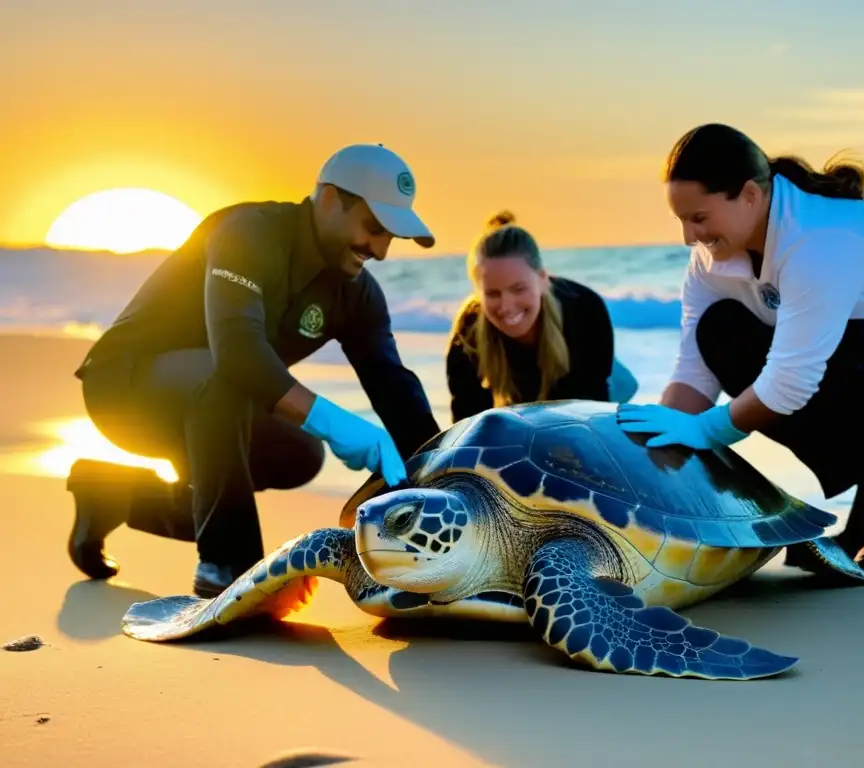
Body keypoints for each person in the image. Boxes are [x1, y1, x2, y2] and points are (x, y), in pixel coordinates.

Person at [617, 123, 864, 577]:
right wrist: (653, 454)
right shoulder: (711, 262)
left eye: (700, 218)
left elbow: (791, 381)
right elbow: (695, 370)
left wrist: (710, 432)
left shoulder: (821, 237)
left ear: (749, 195)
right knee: (721, 331)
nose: (689, 237)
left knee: (834, 350)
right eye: (682, 220)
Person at [68, 143, 443, 597]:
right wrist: (334, 420)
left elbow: (394, 388)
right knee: (228, 381)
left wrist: (449, 472)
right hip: (124, 389)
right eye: (373, 227)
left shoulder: (356, 293)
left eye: (391, 236)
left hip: (216, 408)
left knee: (300, 454)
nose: (381, 250)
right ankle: (230, 566)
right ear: (328, 199)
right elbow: (238, 354)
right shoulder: (248, 232)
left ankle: (114, 497)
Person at [445, 211, 617, 422]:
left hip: (582, 389)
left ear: (543, 279)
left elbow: (592, 415)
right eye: (492, 293)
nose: (506, 306)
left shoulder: (586, 309)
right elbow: (467, 427)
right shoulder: (467, 334)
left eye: (518, 289)